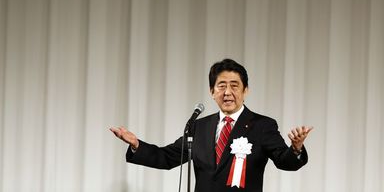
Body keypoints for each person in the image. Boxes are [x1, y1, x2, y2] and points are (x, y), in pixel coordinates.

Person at [110, 58, 313, 191]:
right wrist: (137, 145)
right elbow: (168, 157)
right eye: (221, 86)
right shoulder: (199, 126)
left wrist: (295, 148)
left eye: (234, 86)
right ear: (212, 91)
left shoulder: (262, 125)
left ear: (246, 91)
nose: (228, 92)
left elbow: (284, 161)